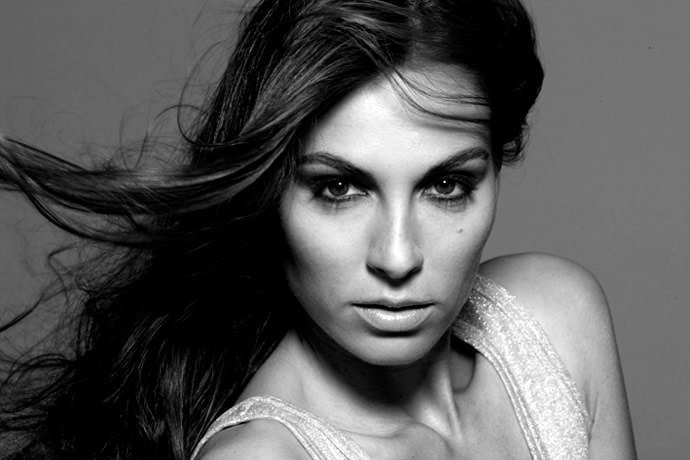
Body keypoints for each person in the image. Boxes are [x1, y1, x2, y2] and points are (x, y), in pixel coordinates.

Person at [0, 0, 636, 459]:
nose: (397, 257)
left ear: (495, 168)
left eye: (445, 185)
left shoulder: (556, 321)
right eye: (338, 189)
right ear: (270, 193)